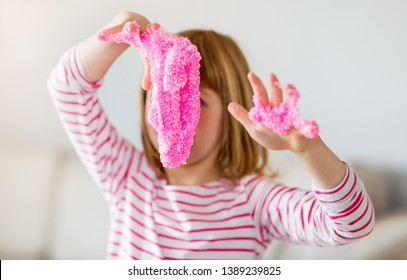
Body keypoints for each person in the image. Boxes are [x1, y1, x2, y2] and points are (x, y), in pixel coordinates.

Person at [48, 11, 374, 259]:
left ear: (233, 115)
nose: (172, 110)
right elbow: (67, 88)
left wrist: (307, 148)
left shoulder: (254, 201)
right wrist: (129, 24)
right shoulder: (128, 179)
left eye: (196, 100)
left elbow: (351, 225)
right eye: (162, 92)